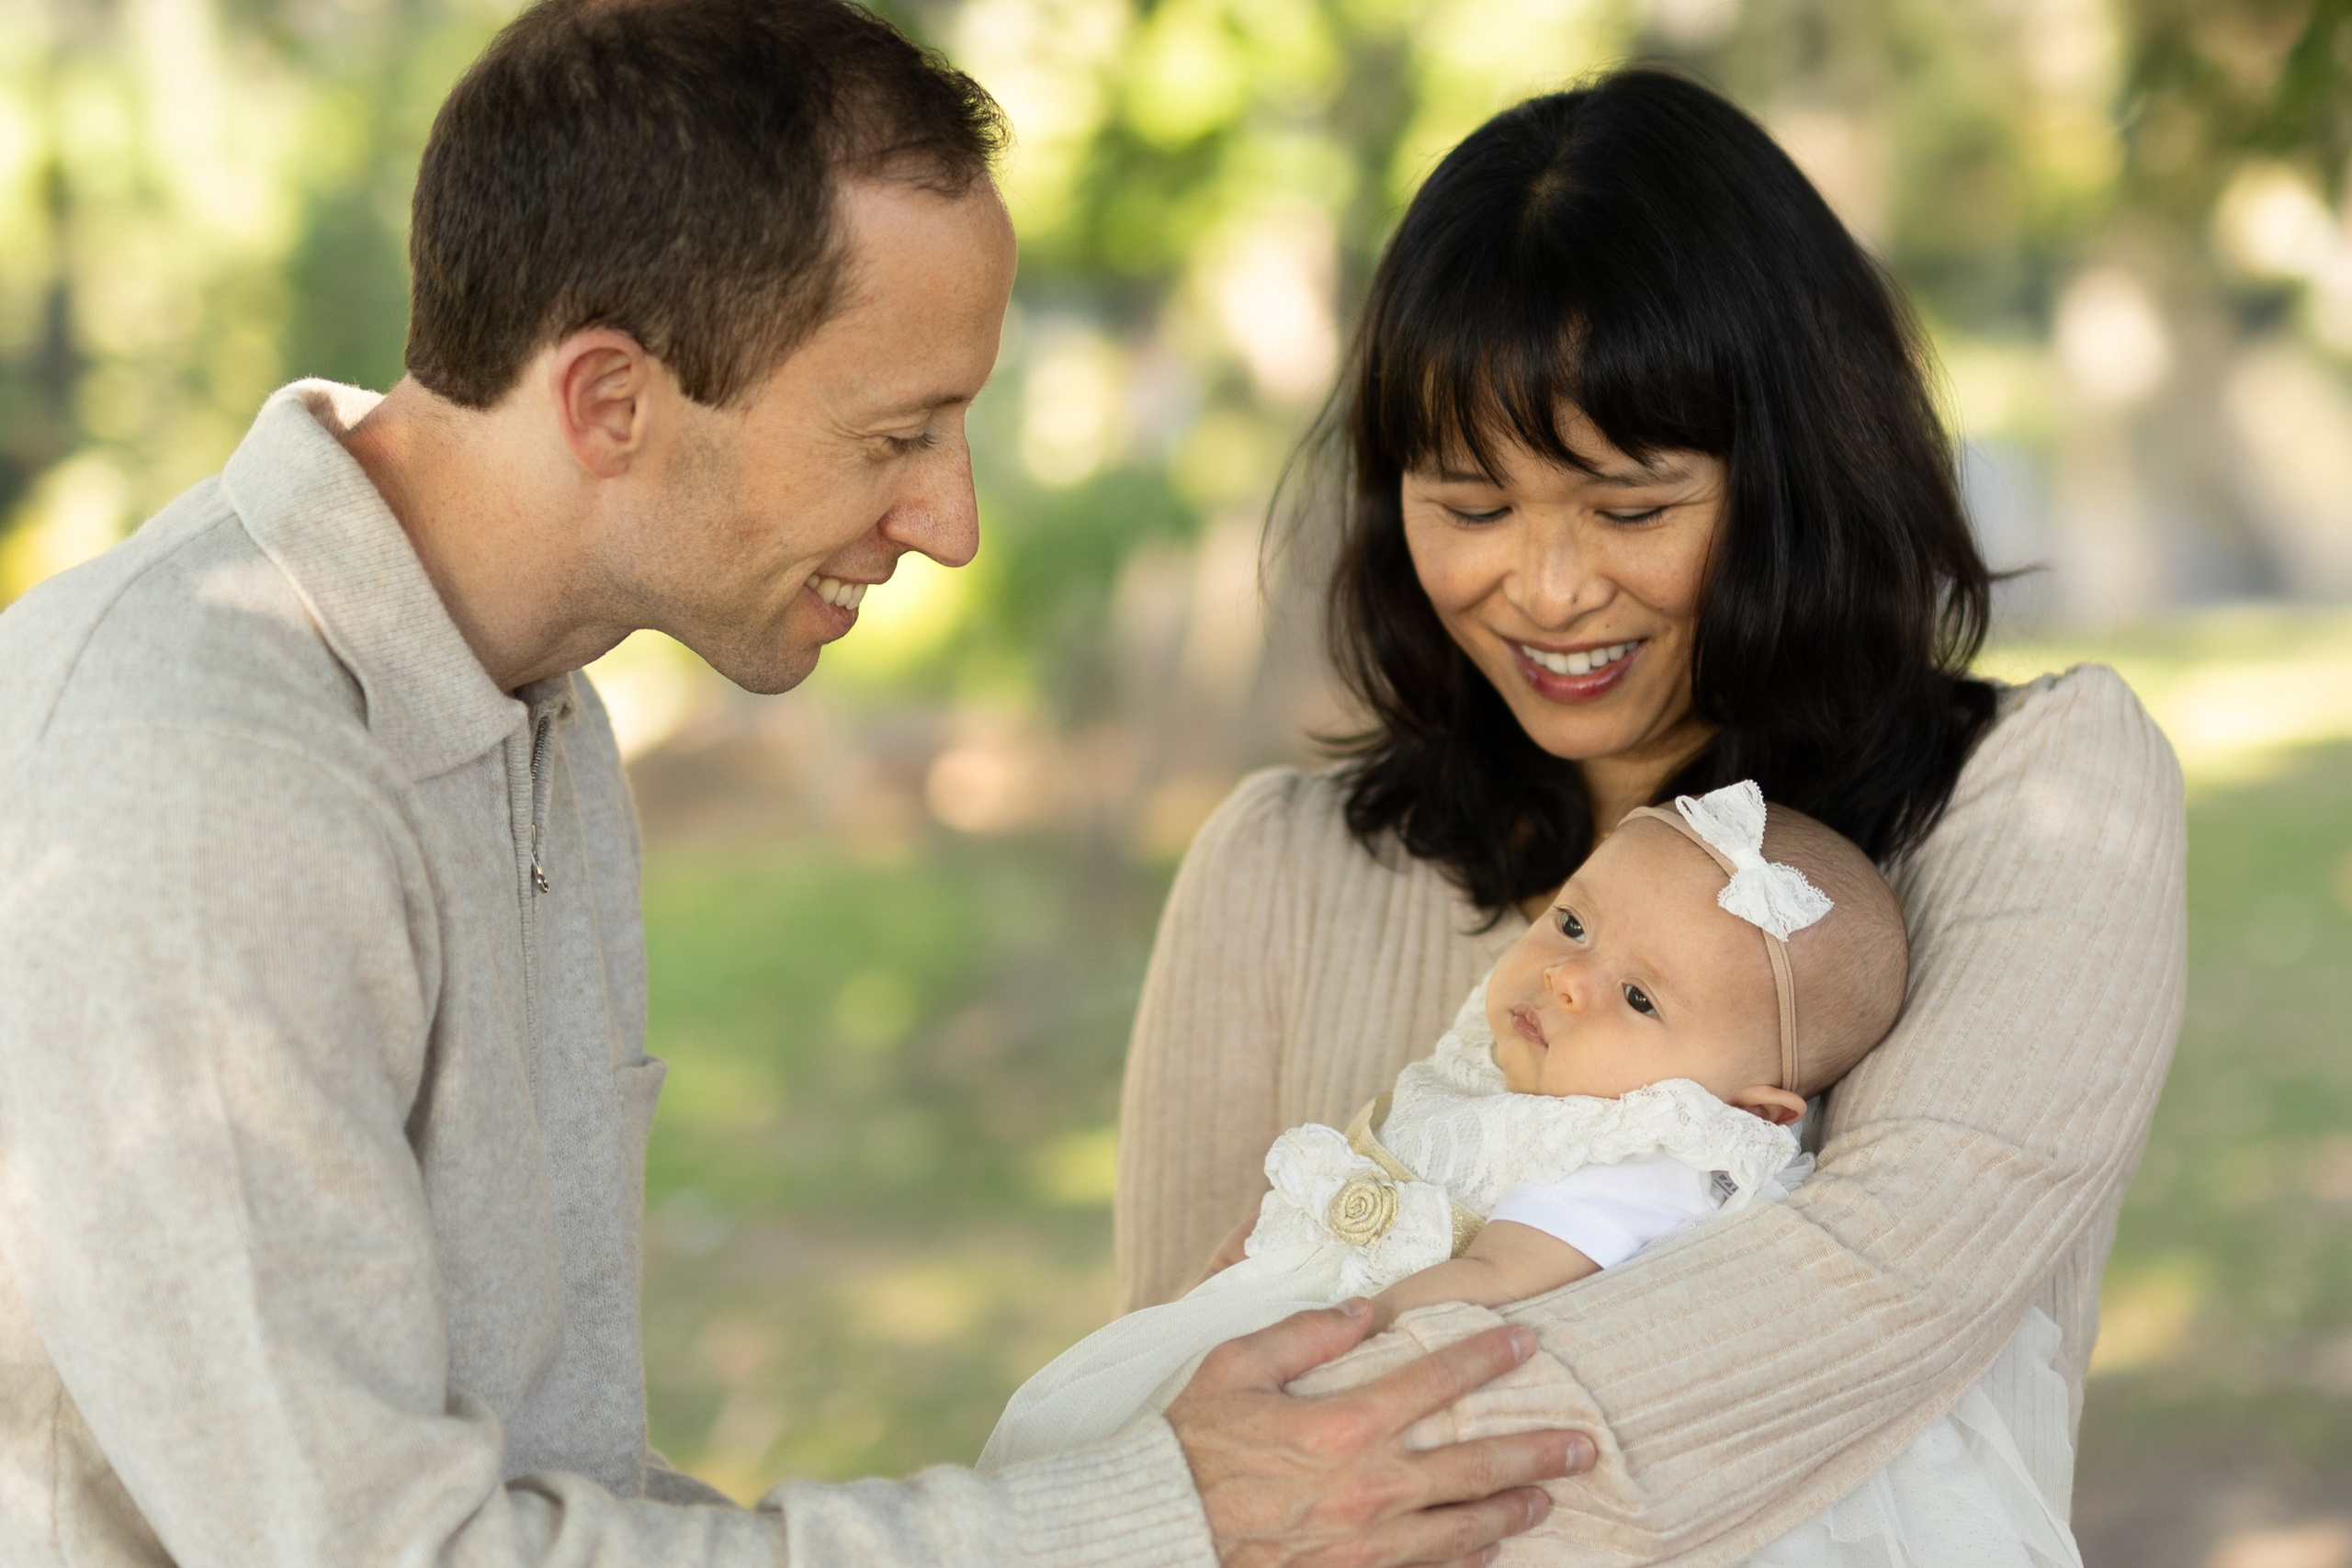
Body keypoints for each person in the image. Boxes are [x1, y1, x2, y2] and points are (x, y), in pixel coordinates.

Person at [0, 2, 1592, 1564]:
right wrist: (1146, 1523)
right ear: (610, 401)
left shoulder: (532, 714)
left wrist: (1145, 1490)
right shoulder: (201, 788)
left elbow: (554, 1487)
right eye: (897, 435)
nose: (953, 523)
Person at [1114, 70, 2187, 1562]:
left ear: (1795, 482)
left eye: (1630, 509)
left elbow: (1878, 1295)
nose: (1548, 591)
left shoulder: (2039, 791)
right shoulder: (1278, 867)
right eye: (1471, 508)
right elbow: (1167, 1407)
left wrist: (1310, 1465)